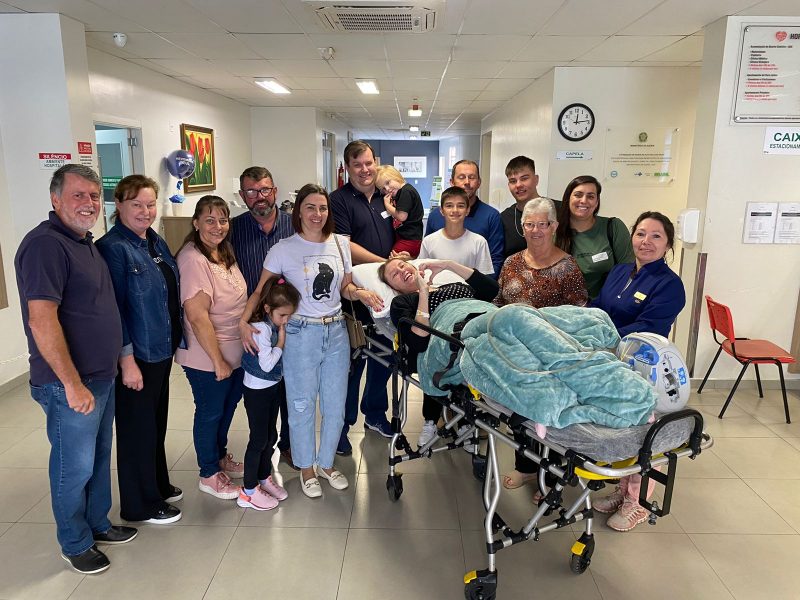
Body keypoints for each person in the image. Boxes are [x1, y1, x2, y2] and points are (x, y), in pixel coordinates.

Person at [14, 164, 136, 574]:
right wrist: (70, 383)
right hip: (70, 382)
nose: (88, 204)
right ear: (55, 199)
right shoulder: (45, 246)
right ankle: (74, 541)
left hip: (99, 376)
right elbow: (41, 319)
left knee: (99, 457)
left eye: (92, 196)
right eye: (78, 195)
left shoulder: (84, 242)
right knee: (74, 465)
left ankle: (98, 523)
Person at [240, 184, 384, 499]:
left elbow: (344, 288)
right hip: (298, 334)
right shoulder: (283, 248)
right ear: (298, 211)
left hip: (335, 332)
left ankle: (327, 464)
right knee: (301, 404)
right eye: (310, 208)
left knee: (335, 405)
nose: (317, 214)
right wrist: (243, 321)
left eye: (322, 208)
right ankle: (306, 468)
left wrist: (360, 292)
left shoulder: (340, 244)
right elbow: (260, 290)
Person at [591, 211, 686, 532]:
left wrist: (604, 336)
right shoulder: (619, 271)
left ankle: (639, 502)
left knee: (647, 434)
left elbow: (648, 326)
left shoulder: (670, 285)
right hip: (612, 363)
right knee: (625, 431)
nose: (646, 242)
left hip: (647, 368)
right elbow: (599, 306)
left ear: (668, 244)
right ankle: (622, 491)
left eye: (656, 236)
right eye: (641, 234)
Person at [96, 175, 183, 526]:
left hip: (159, 350)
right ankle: (138, 503)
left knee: (154, 423)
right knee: (135, 429)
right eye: (137, 205)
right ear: (119, 205)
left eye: (150, 204)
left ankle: (157, 484)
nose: (145, 211)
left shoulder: (153, 241)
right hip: (137, 355)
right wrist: (126, 360)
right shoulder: (114, 248)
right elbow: (114, 310)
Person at [495, 197, 588, 499]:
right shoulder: (511, 262)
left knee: (549, 418)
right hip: (516, 355)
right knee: (520, 414)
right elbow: (499, 302)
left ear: (554, 227)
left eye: (542, 224)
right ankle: (526, 467)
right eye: (529, 224)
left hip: (552, 357)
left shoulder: (567, 267)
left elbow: (578, 317)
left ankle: (552, 474)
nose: (535, 230)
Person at [381, 257, 499, 444]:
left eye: (403, 265)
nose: (402, 271)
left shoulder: (451, 285)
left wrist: (448, 264)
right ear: (393, 287)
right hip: (456, 334)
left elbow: (492, 290)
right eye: (394, 274)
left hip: (488, 319)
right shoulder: (402, 302)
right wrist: (423, 293)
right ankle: (434, 420)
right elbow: (419, 340)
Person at [175, 195, 247, 501]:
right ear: (196, 223)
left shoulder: (223, 252)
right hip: (207, 356)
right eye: (209, 220)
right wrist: (218, 360)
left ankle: (219, 457)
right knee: (209, 412)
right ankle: (208, 473)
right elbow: (197, 316)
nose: (217, 227)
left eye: (223, 220)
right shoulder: (193, 259)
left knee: (226, 409)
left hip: (234, 351)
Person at [329, 140, 397, 453]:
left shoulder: (387, 197)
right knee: (352, 363)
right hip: (353, 295)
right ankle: (341, 428)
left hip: (386, 293)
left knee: (384, 357)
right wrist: (383, 263)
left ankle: (375, 414)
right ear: (347, 168)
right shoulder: (339, 200)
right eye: (357, 165)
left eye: (369, 163)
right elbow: (344, 245)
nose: (365, 170)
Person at [229, 166, 296, 470]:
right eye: (252, 192)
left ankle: (290, 446)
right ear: (243, 196)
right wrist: (243, 322)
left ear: (275, 191)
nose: (260, 197)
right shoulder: (233, 230)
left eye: (265, 190)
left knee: (292, 389)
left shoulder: (294, 226)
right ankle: (262, 456)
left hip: (291, 320)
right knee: (263, 388)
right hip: (255, 325)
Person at [237, 276, 300, 511]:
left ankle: (264, 478)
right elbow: (266, 364)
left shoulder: (272, 325)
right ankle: (249, 491)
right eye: (282, 315)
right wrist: (281, 343)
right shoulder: (262, 330)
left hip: (270, 388)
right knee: (258, 440)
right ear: (267, 309)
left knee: (271, 437)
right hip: (257, 391)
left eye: (289, 315)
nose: (286, 320)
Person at [555, 175, 634, 299]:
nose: (584, 200)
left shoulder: (613, 227)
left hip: (605, 308)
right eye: (578, 195)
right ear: (568, 199)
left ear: (597, 202)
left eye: (591, 196)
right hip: (564, 309)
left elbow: (629, 272)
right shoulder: (553, 231)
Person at [425, 160, 504, 278]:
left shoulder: (491, 216)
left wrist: (484, 288)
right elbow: (427, 258)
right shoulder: (435, 216)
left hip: (475, 291)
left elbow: (495, 261)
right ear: (452, 182)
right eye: (461, 177)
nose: (467, 182)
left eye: (472, 177)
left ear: (479, 182)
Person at [418, 186, 494, 276]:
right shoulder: (428, 242)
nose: (455, 210)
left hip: (469, 290)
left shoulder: (479, 242)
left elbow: (484, 279)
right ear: (441, 210)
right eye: (449, 206)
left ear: (467, 210)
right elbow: (422, 274)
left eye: (460, 206)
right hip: (436, 289)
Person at [500, 155, 560, 259]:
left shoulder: (559, 209)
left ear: (536, 179)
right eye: (513, 181)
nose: (518, 185)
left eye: (524, 178)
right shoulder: (504, 219)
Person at [375, 164, 424, 258]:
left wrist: (387, 205)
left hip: (410, 239)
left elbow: (401, 216)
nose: (387, 189)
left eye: (388, 182)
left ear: (396, 176)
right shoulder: (399, 193)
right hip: (405, 237)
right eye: (383, 189)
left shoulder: (406, 191)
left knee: (392, 260)